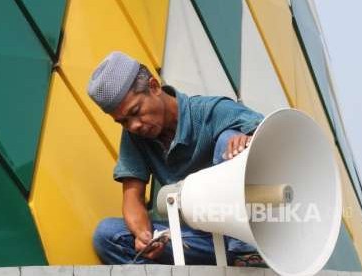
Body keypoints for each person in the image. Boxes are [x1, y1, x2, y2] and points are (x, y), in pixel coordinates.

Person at [87, 51, 265, 266]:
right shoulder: (134, 136)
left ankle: (246, 255)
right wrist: (144, 236)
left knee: (228, 140)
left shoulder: (213, 111)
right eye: (123, 121)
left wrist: (247, 142)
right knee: (107, 235)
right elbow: (132, 197)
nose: (133, 125)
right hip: (198, 240)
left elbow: (276, 139)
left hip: (248, 235)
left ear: (153, 86)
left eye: (135, 111)